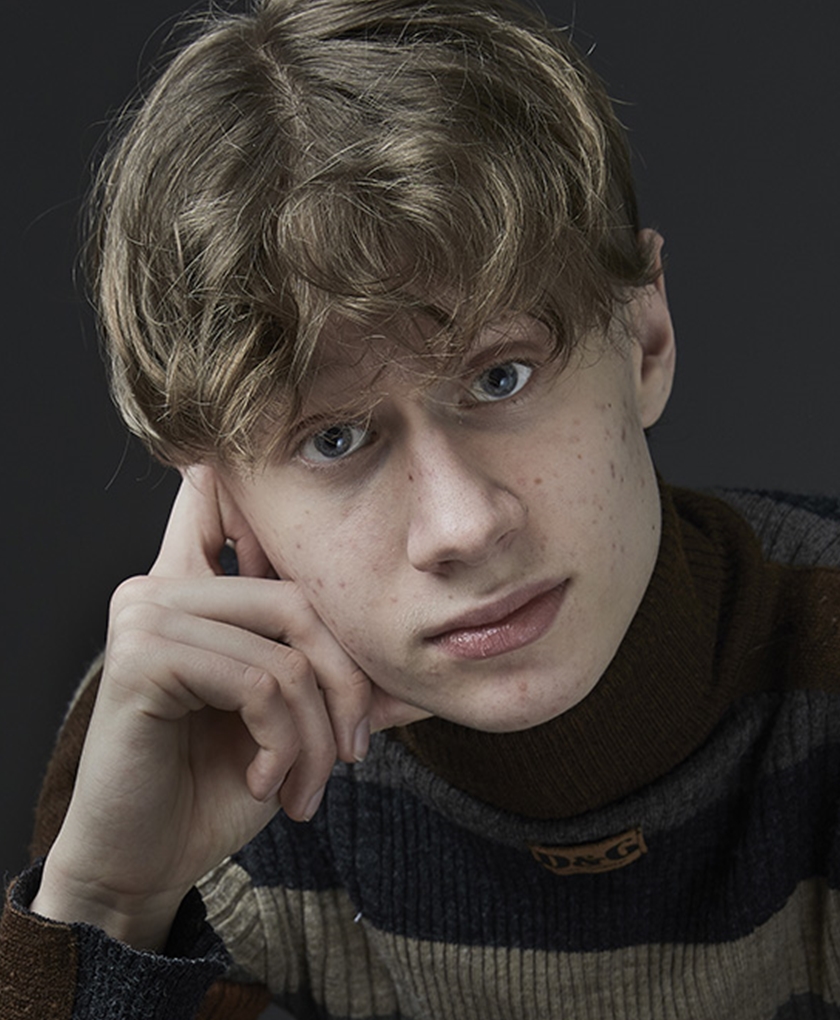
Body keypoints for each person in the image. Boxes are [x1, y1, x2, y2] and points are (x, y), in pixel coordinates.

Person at [1, 0, 838, 1016]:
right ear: (220, 493)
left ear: (646, 340)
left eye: (501, 377)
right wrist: (111, 905)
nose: (463, 527)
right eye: (334, 439)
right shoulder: (185, 743)